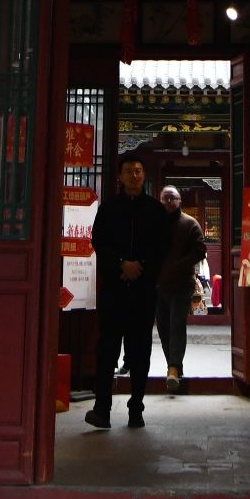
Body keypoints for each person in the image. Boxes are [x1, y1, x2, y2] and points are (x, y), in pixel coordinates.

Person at [85, 156, 172, 429]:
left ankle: (137, 409)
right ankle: (102, 409)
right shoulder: (109, 208)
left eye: (138, 171)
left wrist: (140, 267)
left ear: (144, 175)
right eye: (129, 171)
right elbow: (99, 241)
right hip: (114, 288)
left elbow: (163, 246)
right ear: (120, 177)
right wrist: (121, 264)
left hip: (143, 291)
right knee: (107, 348)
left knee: (140, 350)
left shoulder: (155, 210)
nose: (134, 176)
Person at [155, 185, 207, 386]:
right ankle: (174, 366)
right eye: (165, 198)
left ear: (179, 201)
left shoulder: (190, 223)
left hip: (182, 284)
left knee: (177, 324)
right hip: (159, 284)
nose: (168, 202)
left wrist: (180, 264)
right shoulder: (155, 224)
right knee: (163, 327)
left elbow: (200, 250)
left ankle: (174, 368)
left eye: (172, 198)